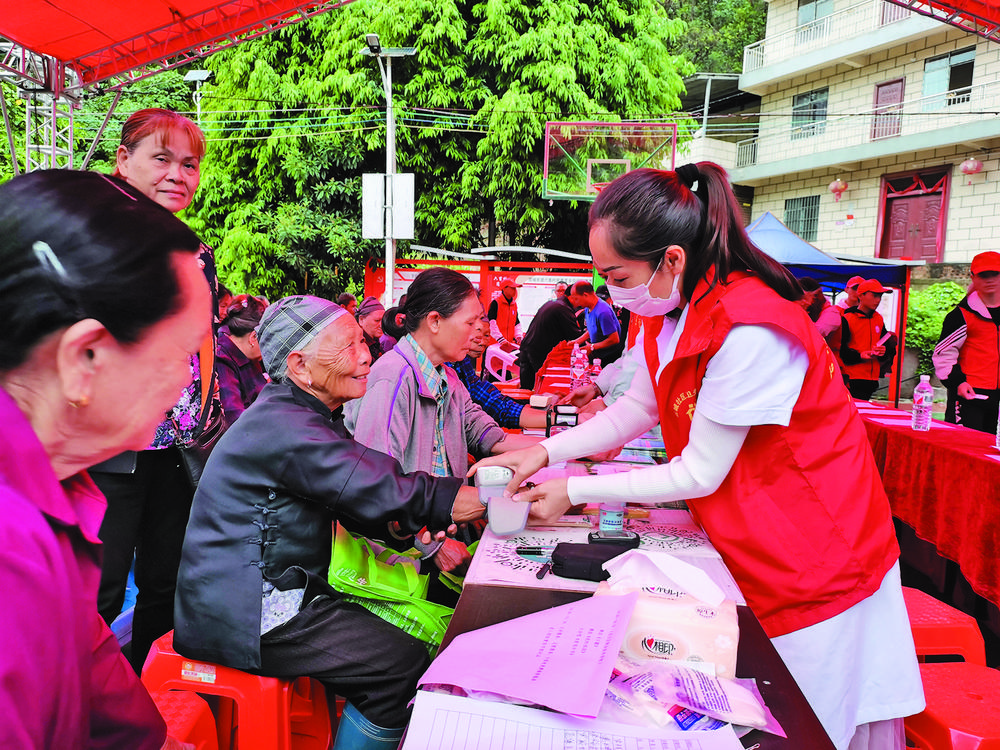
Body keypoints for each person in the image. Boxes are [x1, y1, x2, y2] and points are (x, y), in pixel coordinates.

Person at [473, 164, 923, 750]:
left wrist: (573, 490)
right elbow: (638, 407)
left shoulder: (750, 326)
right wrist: (542, 452)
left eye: (617, 275)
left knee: (808, 720)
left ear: (672, 259)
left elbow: (701, 471)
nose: (611, 290)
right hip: (753, 529)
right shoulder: (669, 311)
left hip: (813, 544)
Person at [174, 296, 484, 750]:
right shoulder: (285, 424)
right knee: (398, 664)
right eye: (348, 346)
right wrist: (486, 502)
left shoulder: (301, 414)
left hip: (286, 587)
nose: (366, 356)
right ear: (300, 365)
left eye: (362, 342)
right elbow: (378, 484)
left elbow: (358, 497)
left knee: (415, 632)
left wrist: (411, 530)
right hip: (249, 608)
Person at [0, 169, 212, 749]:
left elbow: (85, 650)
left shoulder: (55, 485)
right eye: (177, 355)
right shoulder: (10, 549)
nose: (185, 382)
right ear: (84, 358)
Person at [88, 108, 221, 673]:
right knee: (97, 594)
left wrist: (207, 421)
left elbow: (202, 348)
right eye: (161, 158)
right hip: (104, 452)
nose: (177, 175)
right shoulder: (90, 236)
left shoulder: (196, 250)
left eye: (189, 164)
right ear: (124, 160)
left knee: (167, 585)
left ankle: (148, 694)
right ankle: (76, 705)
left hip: (177, 453)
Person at [345, 268, 541, 573]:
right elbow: (378, 486)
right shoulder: (393, 378)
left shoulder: (446, 375)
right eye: (470, 322)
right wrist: (431, 547)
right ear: (435, 321)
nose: (478, 332)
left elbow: (487, 434)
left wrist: (561, 447)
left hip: (443, 530)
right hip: (405, 553)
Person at [448, 306, 547, 429]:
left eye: (486, 335)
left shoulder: (461, 361)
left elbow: (486, 398)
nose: (481, 342)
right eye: (470, 325)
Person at [933, 250, 1000, 432]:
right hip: (969, 396)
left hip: (996, 400)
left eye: (994, 274)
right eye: (983, 275)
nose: (989, 280)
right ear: (973, 277)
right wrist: (958, 383)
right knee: (963, 446)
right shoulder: (960, 316)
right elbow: (943, 355)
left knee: (991, 449)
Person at [840, 279, 897, 401]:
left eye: (880, 296)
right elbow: (841, 351)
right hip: (852, 379)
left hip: (872, 379)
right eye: (875, 296)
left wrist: (883, 351)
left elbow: (886, 348)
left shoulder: (878, 319)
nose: (878, 300)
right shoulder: (847, 319)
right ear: (861, 295)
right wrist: (860, 355)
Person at [518, 281, 580, 389]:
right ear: (574, 297)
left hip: (527, 348)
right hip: (537, 352)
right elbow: (575, 336)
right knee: (542, 387)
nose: (580, 304)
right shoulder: (563, 308)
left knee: (526, 388)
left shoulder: (552, 304)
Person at [216, 294, 269, 421]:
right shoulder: (222, 358)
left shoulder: (248, 354)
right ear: (253, 337)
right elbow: (234, 416)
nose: (267, 348)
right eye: (266, 340)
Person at [569, 280, 624, 365]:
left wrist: (592, 347)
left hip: (608, 359)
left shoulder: (603, 312)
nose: (575, 302)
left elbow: (614, 339)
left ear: (585, 295)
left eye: (576, 299)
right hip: (597, 355)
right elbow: (593, 328)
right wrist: (577, 341)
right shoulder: (588, 308)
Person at [488, 277, 523, 348]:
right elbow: (491, 323)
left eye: (515, 288)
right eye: (512, 288)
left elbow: (516, 322)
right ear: (504, 288)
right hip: (495, 344)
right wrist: (500, 339)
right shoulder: (496, 303)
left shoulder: (514, 304)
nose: (515, 290)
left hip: (508, 344)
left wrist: (518, 336)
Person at [356, 295, 386, 363]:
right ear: (361, 320)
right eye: (377, 320)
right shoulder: (357, 345)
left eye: (383, 321)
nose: (381, 325)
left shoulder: (375, 341)